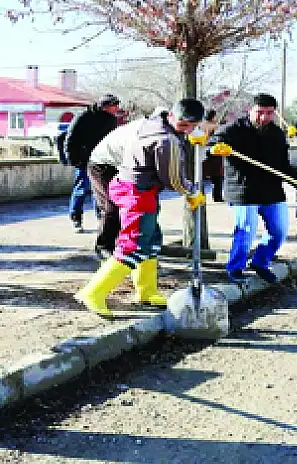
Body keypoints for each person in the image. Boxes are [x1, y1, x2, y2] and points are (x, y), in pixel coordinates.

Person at [74, 99, 207, 318]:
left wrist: (190, 134)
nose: (186, 130)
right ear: (172, 116)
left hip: (133, 187)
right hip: (137, 193)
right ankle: (94, 292)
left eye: (190, 126)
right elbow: (174, 179)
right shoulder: (166, 141)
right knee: (134, 244)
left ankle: (147, 291)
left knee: (151, 239)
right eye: (182, 125)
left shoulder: (155, 122)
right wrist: (192, 192)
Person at [209, 93, 297, 284]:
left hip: (271, 191)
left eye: (269, 113)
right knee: (247, 230)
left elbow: (284, 166)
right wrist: (215, 148)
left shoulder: (277, 134)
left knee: (279, 231)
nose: (264, 117)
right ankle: (236, 267)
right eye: (260, 112)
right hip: (242, 191)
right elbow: (212, 142)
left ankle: (260, 262)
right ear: (250, 110)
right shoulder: (233, 129)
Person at [85, 111, 151, 260]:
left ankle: (123, 245)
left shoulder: (152, 129)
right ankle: (103, 246)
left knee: (129, 206)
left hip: (118, 164)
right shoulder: (140, 133)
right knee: (110, 206)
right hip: (101, 165)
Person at [64, 94, 121, 232]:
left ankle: (102, 218)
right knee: (81, 188)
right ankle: (76, 217)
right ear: (106, 106)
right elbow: (70, 138)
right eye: (115, 106)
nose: (117, 109)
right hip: (84, 160)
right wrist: (74, 159)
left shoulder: (112, 120)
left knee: (101, 191)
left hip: (104, 160)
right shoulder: (84, 117)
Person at [199, 109, 225, 202]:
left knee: (200, 178)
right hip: (214, 154)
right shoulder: (216, 127)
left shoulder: (199, 126)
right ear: (213, 116)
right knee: (217, 178)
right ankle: (217, 197)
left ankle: (200, 196)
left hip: (201, 153)